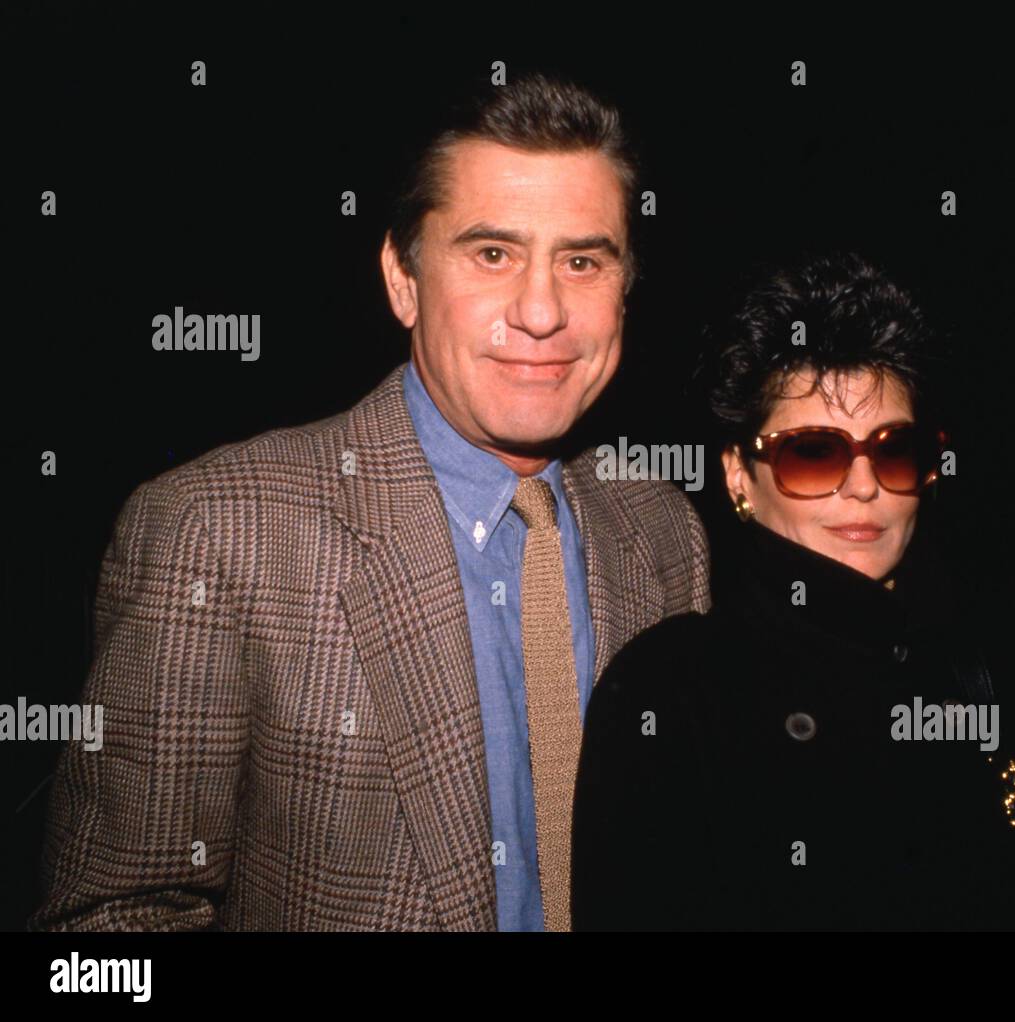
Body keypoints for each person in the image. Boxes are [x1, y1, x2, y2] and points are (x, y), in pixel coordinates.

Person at [30, 73, 709, 932]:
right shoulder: (220, 532)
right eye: (491, 254)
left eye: (582, 261)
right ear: (403, 279)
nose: (542, 311)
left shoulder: (664, 532)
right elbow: (102, 935)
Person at [571, 252, 1015, 930]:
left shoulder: (967, 663)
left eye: (892, 449)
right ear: (739, 475)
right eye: (814, 452)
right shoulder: (670, 694)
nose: (863, 484)